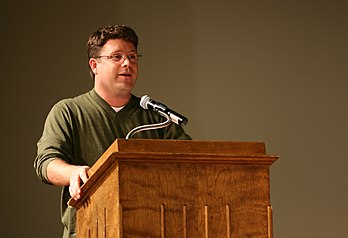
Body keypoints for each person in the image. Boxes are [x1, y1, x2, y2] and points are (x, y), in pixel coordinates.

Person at [34, 24, 191, 238]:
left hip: (151, 229)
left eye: (133, 57)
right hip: (90, 228)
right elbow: (46, 163)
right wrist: (74, 173)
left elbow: (191, 163)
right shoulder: (68, 111)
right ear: (94, 65)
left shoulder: (157, 118)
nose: (127, 63)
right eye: (116, 57)